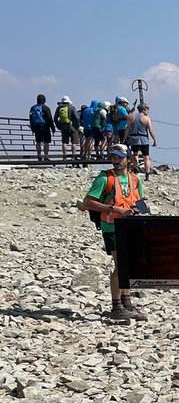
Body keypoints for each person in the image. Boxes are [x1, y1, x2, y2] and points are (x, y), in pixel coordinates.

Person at [80, 145, 148, 323]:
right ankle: (116, 306)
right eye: (113, 157)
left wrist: (139, 214)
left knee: (128, 264)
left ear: (127, 158)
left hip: (130, 226)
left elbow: (139, 201)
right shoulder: (105, 178)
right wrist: (114, 208)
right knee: (121, 264)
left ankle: (127, 303)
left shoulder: (134, 179)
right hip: (111, 226)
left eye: (119, 157)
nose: (116, 161)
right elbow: (87, 202)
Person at [126, 103, 157, 177]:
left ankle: (135, 170)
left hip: (133, 139)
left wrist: (125, 138)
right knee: (146, 157)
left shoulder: (131, 117)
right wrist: (154, 139)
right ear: (143, 110)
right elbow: (151, 130)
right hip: (144, 139)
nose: (148, 112)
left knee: (135, 154)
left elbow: (127, 129)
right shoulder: (146, 118)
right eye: (147, 110)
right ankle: (147, 174)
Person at [29, 94, 54, 162]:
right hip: (45, 127)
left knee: (38, 142)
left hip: (36, 127)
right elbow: (50, 119)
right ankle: (46, 156)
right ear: (44, 100)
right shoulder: (46, 108)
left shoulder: (33, 108)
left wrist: (32, 128)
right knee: (46, 142)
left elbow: (31, 119)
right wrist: (52, 128)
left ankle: (39, 156)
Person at [55, 96, 79, 165]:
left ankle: (64, 156)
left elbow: (55, 118)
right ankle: (73, 156)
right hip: (72, 127)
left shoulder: (59, 108)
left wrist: (58, 126)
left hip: (63, 126)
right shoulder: (72, 107)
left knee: (64, 142)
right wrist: (76, 126)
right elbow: (76, 118)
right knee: (74, 142)